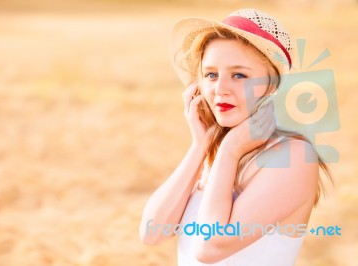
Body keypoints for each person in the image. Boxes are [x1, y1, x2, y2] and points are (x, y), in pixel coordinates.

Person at [139, 8, 332, 265]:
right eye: (211, 74)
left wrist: (229, 150)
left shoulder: (293, 156)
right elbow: (152, 233)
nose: (220, 89)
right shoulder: (213, 155)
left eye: (239, 75)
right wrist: (200, 146)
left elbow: (211, 247)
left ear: (272, 85)